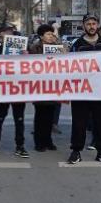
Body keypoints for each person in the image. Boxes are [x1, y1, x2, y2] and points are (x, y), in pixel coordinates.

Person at [66, 14, 101, 166]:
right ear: (84, 26)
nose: (91, 26)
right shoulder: (77, 44)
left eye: (93, 23)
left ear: (97, 26)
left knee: (100, 122)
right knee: (79, 122)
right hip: (81, 90)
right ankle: (76, 151)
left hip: (99, 90)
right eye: (88, 23)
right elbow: (68, 63)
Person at [0, 24, 29, 159]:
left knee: (19, 120)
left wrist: (27, 56)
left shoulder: (22, 49)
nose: (5, 37)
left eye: (8, 34)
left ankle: (20, 146)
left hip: (18, 89)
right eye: (2, 35)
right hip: (3, 90)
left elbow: (32, 66)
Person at [30, 24, 61, 152]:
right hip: (39, 86)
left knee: (50, 115)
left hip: (53, 86)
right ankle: (39, 142)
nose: (51, 36)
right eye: (48, 34)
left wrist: (59, 45)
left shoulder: (57, 47)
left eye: (52, 34)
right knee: (40, 115)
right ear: (41, 36)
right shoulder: (35, 48)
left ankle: (48, 140)